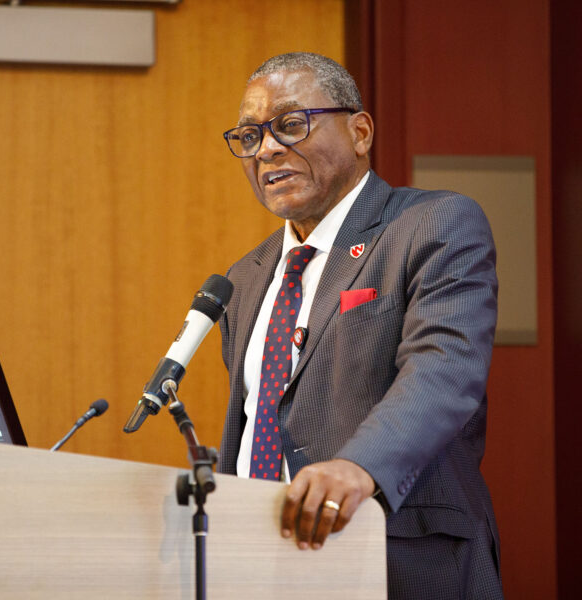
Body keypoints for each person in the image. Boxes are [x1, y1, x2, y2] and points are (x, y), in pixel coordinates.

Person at [216, 52, 502, 599]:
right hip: (261, 566)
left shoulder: (432, 225)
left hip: (401, 559)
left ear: (360, 132)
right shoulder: (245, 279)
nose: (268, 149)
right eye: (249, 136)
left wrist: (356, 467)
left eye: (290, 124)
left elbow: (443, 370)